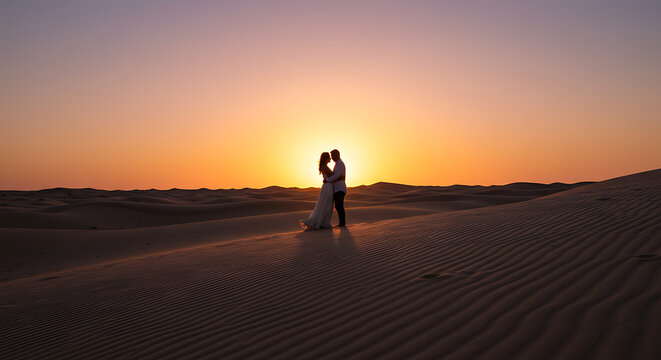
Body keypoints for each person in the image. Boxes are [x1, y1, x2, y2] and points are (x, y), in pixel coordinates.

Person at [299, 152, 334, 230]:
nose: (330, 159)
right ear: (325, 158)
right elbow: (331, 176)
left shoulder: (325, 166)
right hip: (327, 187)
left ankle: (324, 222)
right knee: (325, 205)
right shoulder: (324, 166)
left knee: (327, 205)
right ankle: (320, 222)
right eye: (329, 157)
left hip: (328, 186)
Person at [324, 149, 346, 227]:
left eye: (333, 156)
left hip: (340, 188)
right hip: (337, 188)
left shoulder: (339, 163)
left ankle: (342, 223)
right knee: (338, 205)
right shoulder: (338, 163)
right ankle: (342, 222)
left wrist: (327, 180)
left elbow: (337, 175)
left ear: (337, 155)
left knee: (339, 205)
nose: (332, 158)